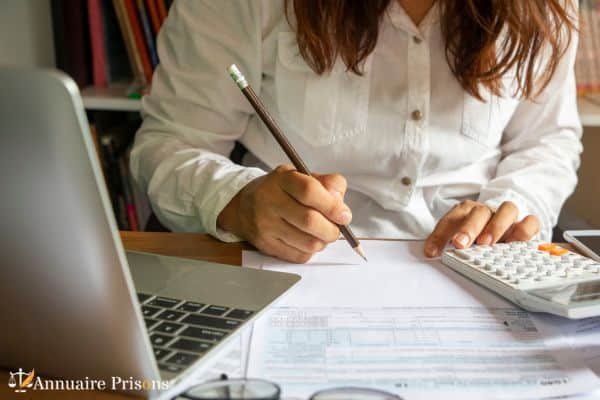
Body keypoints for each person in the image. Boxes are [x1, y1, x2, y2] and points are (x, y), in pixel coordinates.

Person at [131, 0, 582, 263]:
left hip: (475, 268)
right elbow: (171, 143)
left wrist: (512, 208)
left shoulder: (545, 8)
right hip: (287, 266)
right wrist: (235, 200)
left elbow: (546, 142)